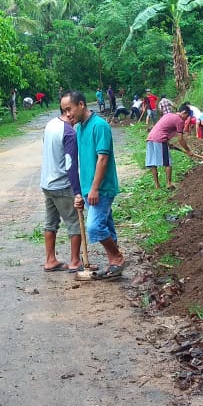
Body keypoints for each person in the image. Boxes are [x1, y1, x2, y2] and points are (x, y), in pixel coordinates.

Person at [61, 91, 125, 280]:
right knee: (106, 225)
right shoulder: (80, 128)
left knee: (94, 227)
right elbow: (83, 162)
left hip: (102, 188)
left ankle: (117, 258)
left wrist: (95, 188)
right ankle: (114, 264)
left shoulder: (100, 126)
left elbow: (102, 159)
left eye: (69, 109)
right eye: (64, 111)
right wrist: (80, 192)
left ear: (81, 105)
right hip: (89, 188)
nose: (67, 114)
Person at [41, 106, 84, 273]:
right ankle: (74, 261)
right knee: (74, 222)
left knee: (51, 222)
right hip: (61, 185)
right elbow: (70, 165)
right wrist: (78, 192)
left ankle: (50, 260)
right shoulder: (69, 133)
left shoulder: (50, 124)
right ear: (68, 111)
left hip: (47, 183)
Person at [145, 104, 193, 189]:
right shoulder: (179, 120)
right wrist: (188, 150)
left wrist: (167, 142)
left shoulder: (168, 114)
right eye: (187, 116)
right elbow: (180, 139)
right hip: (160, 139)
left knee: (153, 162)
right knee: (168, 163)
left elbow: (163, 127)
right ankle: (169, 184)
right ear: (184, 112)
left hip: (150, 138)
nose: (186, 118)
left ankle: (157, 186)